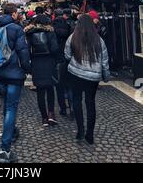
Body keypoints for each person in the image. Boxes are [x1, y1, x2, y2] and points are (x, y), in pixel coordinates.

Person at [0, 4, 31, 164]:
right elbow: (23, 51)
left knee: (7, 105)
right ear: (13, 14)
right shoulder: (16, 29)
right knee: (11, 108)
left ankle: (12, 130)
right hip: (15, 74)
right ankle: (5, 150)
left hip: (1, 72)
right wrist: (28, 69)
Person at [65, 14, 110, 145]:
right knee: (90, 103)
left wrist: (74, 61)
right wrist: (106, 77)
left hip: (76, 74)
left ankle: (80, 130)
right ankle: (89, 134)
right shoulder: (99, 40)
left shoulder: (72, 37)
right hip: (93, 77)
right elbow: (104, 60)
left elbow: (67, 55)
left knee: (77, 101)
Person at [26, 15, 59, 126]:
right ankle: (51, 114)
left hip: (36, 63)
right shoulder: (50, 32)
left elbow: (27, 50)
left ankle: (44, 117)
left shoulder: (30, 33)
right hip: (49, 62)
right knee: (50, 89)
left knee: (40, 91)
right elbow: (55, 48)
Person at [53, 9, 73, 116]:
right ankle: (72, 105)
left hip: (57, 60)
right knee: (69, 84)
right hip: (68, 59)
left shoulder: (52, 28)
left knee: (59, 86)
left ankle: (63, 108)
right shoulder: (70, 28)